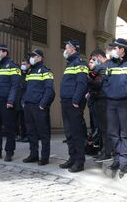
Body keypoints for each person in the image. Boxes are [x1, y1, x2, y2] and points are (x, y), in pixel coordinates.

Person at [103, 38, 127, 175]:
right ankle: (117, 159)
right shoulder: (110, 64)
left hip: (125, 102)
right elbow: (105, 81)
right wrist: (108, 92)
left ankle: (124, 161)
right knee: (112, 132)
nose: (113, 50)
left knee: (125, 133)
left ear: (122, 49)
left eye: (115, 48)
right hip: (111, 102)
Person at [59, 40, 89, 173]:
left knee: (76, 133)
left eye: (66, 48)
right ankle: (72, 158)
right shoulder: (70, 64)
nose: (65, 50)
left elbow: (82, 83)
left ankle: (79, 161)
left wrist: (76, 100)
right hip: (66, 102)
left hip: (73, 103)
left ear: (72, 49)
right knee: (69, 133)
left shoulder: (80, 63)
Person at [22, 49, 55, 165]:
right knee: (31, 132)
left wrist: (42, 104)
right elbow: (25, 89)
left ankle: (45, 157)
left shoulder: (45, 71)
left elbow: (49, 90)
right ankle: (33, 155)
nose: (31, 58)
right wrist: (23, 101)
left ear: (40, 58)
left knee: (43, 133)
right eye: (31, 56)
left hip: (39, 107)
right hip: (28, 106)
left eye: (33, 56)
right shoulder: (30, 72)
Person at [89, 49, 110, 162]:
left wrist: (88, 77)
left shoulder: (102, 67)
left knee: (104, 128)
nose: (92, 61)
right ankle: (103, 150)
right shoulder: (102, 67)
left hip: (103, 99)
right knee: (101, 128)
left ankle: (107, 152)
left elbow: (96, 82)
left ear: (99, 57)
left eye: (93, 59)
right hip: (99, 99)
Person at [16, 59, 29, 143]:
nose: (22, 65)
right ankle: (22, 135)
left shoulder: (30, 73)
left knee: (27, 119)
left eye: (24, 64)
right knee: (21, 119)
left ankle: (28, 136)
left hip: (26, 98)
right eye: (21, 64)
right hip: (19, 98)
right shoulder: (20, 74)